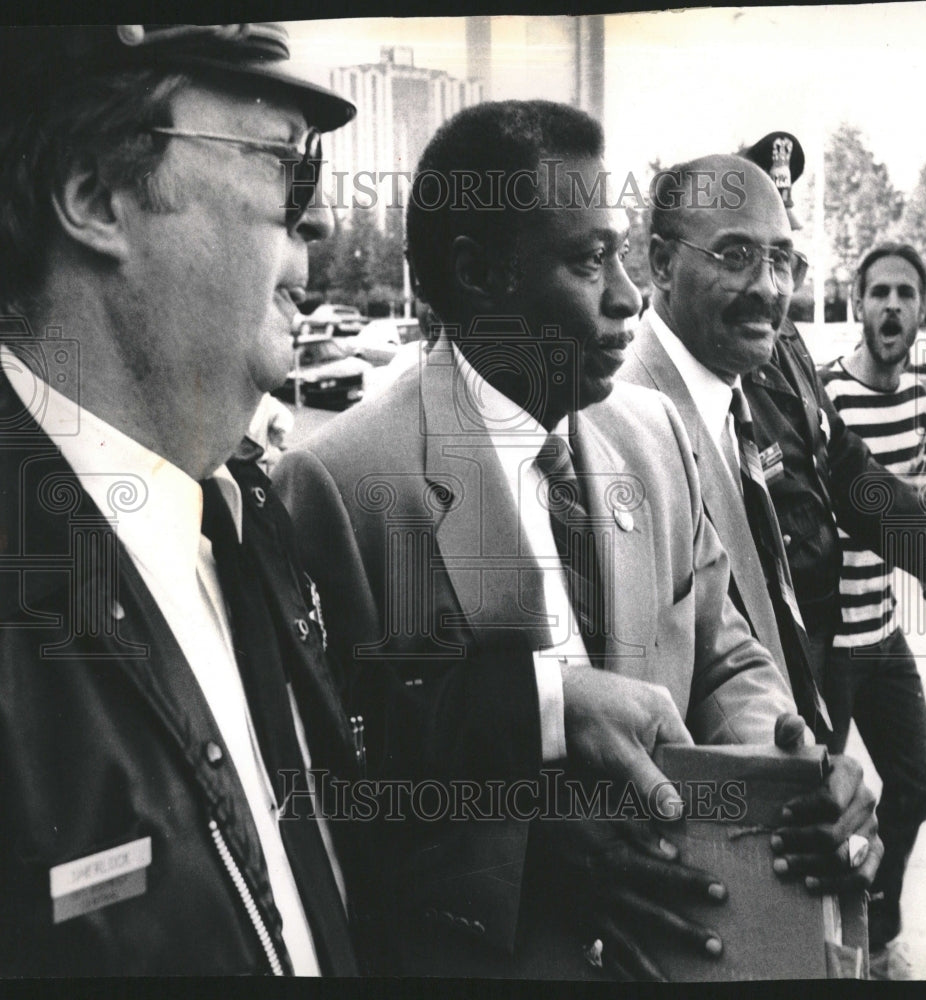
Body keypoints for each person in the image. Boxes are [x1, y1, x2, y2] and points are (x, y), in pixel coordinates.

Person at [275, 100, 880, 980]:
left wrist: (792, 772)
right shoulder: (341, 487)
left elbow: (721, 657)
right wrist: (523, 855)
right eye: (588, 259)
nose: (630, 297)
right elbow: (334, 802)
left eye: (621, 255)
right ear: (478, 274)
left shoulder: (655, 434)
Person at [0, 24, 367, 975]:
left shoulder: (242, 513)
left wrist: (549, 712)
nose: (317, 220)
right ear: (95, 196)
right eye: (286, 164)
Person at [619, 146, 926, 708]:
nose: (770, 287)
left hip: (809, 647)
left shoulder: (774, 346)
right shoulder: (617, 419)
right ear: (663, 264)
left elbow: (841, 462)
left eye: (783, 259)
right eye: (736, 254)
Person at [818, 243, 926, 975]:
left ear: (920, 308)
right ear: (858, 305)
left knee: (918, 783)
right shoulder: (830, 398)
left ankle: (881, 920)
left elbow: (911, 510)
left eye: (904, 293)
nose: (891, 306)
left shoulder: (920, 401)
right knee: (820, 809)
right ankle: (831, 946)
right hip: (833, 647)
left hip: (886, 638)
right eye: (878, 293)